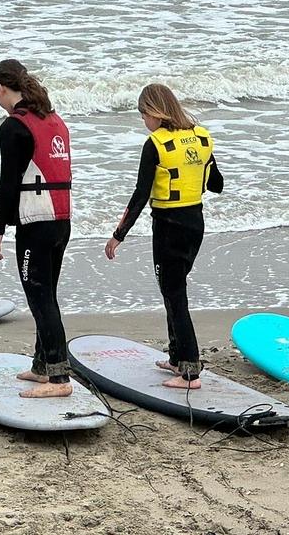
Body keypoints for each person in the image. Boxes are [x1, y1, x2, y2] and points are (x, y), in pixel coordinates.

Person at [105, 84, 222, 389]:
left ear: (155, 112)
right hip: (195, 224)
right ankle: (176, 357)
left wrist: (118, 235)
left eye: (144, 114)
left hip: (169, 228)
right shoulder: (201, 137)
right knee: (174, 288)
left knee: (174, 294)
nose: (144, 120)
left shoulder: (155, 144)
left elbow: (140, 195)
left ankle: (190, 371)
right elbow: (217, 184)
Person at [0, 59, 74, 398]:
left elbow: (7, 183)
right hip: (61, 221)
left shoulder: (14, 127)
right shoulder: (54, 119)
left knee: (40, 299)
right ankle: (42, 366)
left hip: (36, 224)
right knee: (47, 295)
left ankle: (59, 378)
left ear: (1, 88)